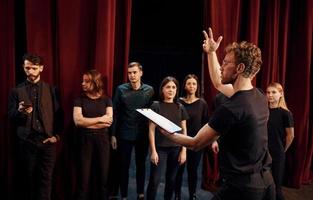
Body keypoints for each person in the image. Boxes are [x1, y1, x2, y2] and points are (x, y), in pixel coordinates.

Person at [159, 28, 276, 200]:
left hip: (242, 189)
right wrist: (211, 53)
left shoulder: (231, 108)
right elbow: (218, 82)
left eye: (226, 62)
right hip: (266, 182)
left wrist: (167, 131)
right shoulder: (258, 95)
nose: (221, 66)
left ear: (240, 68)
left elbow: (196, 143)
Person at [8, 53, 63, 200]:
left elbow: (59, 116)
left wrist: (56, 137)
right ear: (23, 68)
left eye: (33, 68)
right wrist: (20, 112)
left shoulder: (52, 90)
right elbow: (11, 116)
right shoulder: (16, 91)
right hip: (27, 142)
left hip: (47, 142)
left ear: (41, 68)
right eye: (27, 68)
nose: (30, 71)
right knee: (28, 181)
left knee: (46, 180)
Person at [110, 62, 154, 200]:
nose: (132, 75)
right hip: (124, 133)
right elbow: (115, 113)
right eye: (129, 73)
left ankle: (140, 193)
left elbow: (152, 114)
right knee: (123, 166)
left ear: (141, 73)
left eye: (135, 72)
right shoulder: (120, 89)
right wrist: (113, 135)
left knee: (141, 165)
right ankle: (123, 195)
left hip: (142, 134)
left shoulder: (149, 90)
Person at [146, 76, 188, 200]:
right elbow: (151, 129)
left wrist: (184, 151)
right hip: (160, 149)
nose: (171, 90)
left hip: (176, 149)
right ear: (162, 89)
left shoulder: (180, 107)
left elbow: (184, 130)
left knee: (171, 181)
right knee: (155, 180)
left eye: (174, 87)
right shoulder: (156, 105)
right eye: (168, 87)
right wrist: (153, 151)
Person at [73, 69, 113, 200]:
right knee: (83, 178)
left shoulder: (107, 100)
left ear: (95, 83)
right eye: (83, 81)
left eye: (86, 81)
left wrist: (88, 122)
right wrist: (100, 118)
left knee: (103, 177)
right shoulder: (79, 100)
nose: (82, 83)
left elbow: (108, 122)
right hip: (85, 140)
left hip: (102, 141)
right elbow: (78, 121)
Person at [174, 74, 209, 200]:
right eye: (189, 83)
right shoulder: (178, 102)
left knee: (193, 171)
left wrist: (213, 141)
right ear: (185, 85)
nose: (192, 86)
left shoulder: (202, 103)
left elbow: (206, 123)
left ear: (197, 86)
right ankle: (176, 194)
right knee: (179, 170)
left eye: (194, 83)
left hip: (196, 142)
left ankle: (192, 195)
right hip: (180, 142)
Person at [266, 82, 294, 200]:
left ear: (281, 94)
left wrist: (282, 150)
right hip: (263, 152)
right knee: (264, 185)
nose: (270, 95)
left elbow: (290, 136)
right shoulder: (264, 111)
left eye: (274, 92)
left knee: (277, 187)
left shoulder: (285, 114)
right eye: (268, 92)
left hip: (277, 153)